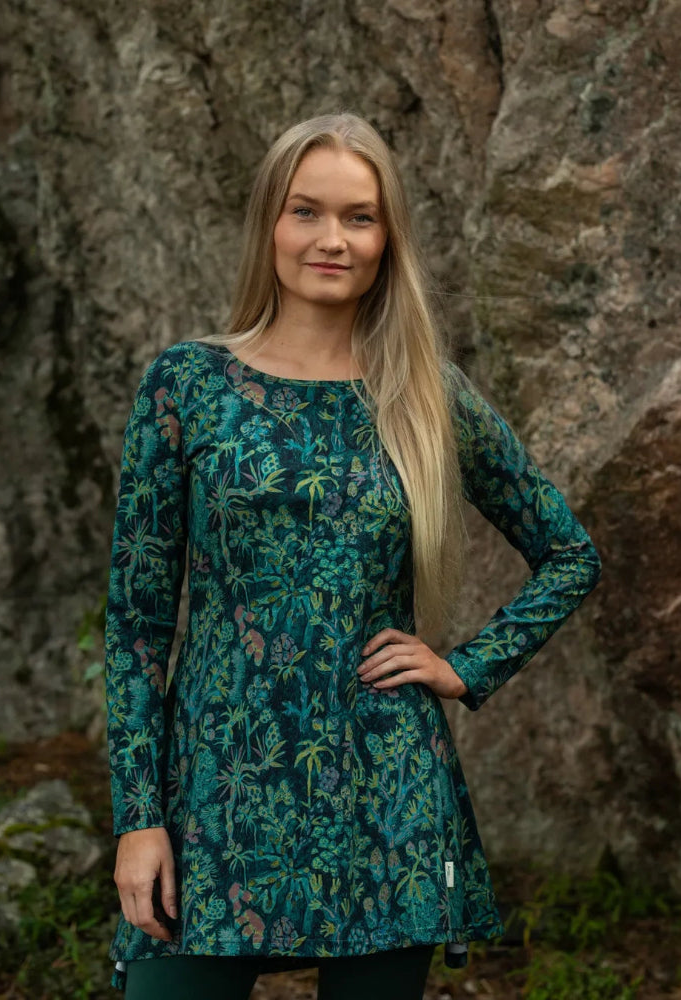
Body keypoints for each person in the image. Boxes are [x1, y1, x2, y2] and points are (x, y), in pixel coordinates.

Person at [103, 112, 602, 1000]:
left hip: (385, 797)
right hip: (214, 793)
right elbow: (137, 626)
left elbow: (568, 553)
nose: (332, 239)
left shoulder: (425, 395)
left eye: (359, 217)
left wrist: (465, 667)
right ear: (270, 224)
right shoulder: (187, 385)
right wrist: (139, 820)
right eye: (307, 211)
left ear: (387, 239)